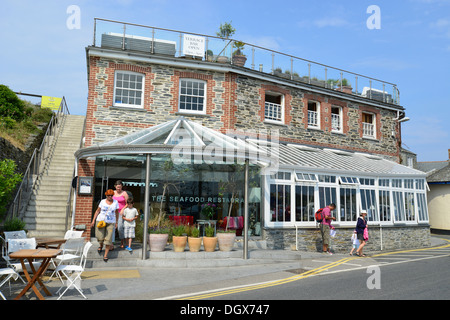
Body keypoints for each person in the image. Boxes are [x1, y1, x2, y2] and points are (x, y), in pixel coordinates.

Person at [91, 189, 119, 262]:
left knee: (108, 239)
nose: (110, 197)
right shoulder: (102, 202)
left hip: (111, 222)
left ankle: (105, 255)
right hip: (100, 221)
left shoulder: (115, 202)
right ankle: (100, 245)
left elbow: (117, 213)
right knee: (99, 236)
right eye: (108, 195)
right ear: (106, 195)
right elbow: (97, 211)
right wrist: (93, 220)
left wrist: (116, 222)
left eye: (111, 195)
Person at [112, 180, 129, 249]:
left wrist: (123, 209)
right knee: (112, 227)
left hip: (121, 212)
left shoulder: (124, 193)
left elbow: (128, 203)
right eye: (117, 187)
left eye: (120, 187)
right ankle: (112, 242)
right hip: (113, 212)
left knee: (119, 227)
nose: (119, 189)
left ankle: (122, 241)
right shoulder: (112, 193)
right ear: (115, 186)